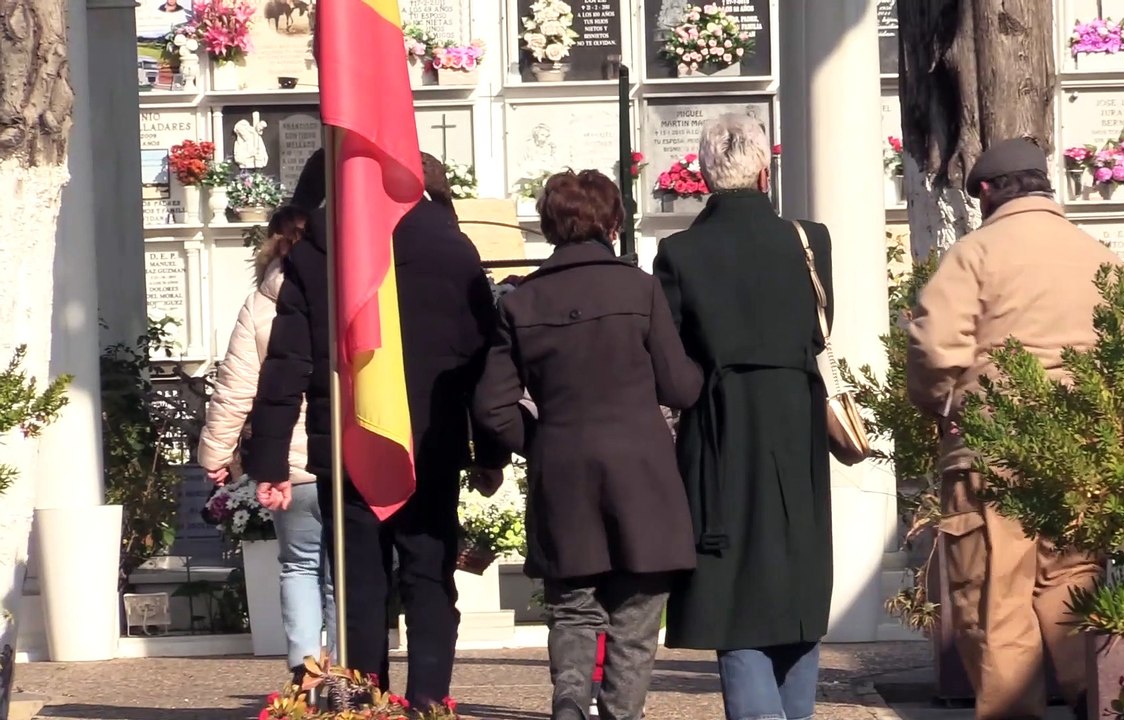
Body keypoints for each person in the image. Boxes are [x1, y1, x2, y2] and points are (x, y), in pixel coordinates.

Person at [243, 152, 508, 711]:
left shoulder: (319, 250)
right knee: (428, 578)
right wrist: (489, 452)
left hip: (347, 442)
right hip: (430, 442)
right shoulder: (453, 249)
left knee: (360, 588)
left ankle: (365, 707)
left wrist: (269, 460)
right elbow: (484, 360)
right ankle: (430, 703)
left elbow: (287, 363)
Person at [472, 170, 703, 720]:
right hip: (641, 471)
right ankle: (621, 712)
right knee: (636, 615)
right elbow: (679, 387)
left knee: (573, 606)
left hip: (563, 471)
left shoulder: (521, 302)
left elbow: (491, 407)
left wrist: (541, 441)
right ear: (613, 222)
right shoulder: (640, 289)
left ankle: (571, 700)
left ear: (550, 226)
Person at [905, 137, 1117, 720]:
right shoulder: (1099, 256)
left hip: (992, 451)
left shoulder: (975, 254)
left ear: (987, 192)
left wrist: (941, 407)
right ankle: (1092, 697)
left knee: (994, 598)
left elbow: (934, 346)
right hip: (1081, 452)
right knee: (1073, 582)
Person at [654, 113, 835, 720]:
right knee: (798, 567)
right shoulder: (809, 240)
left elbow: (672, 357)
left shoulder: (680, 252)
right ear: (765, 172)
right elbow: (819, 329)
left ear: (705, 177)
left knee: (732, 580)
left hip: (720, 425)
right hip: (795, 416)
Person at [197, 205, 337, 684]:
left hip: (287, 463)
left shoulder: (260, 303)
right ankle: (344, 672)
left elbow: (235, 387)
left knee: (298, 565)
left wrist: (215, 455)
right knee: (342, 572)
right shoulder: (341, 289)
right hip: (340, 455)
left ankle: (306, 671)